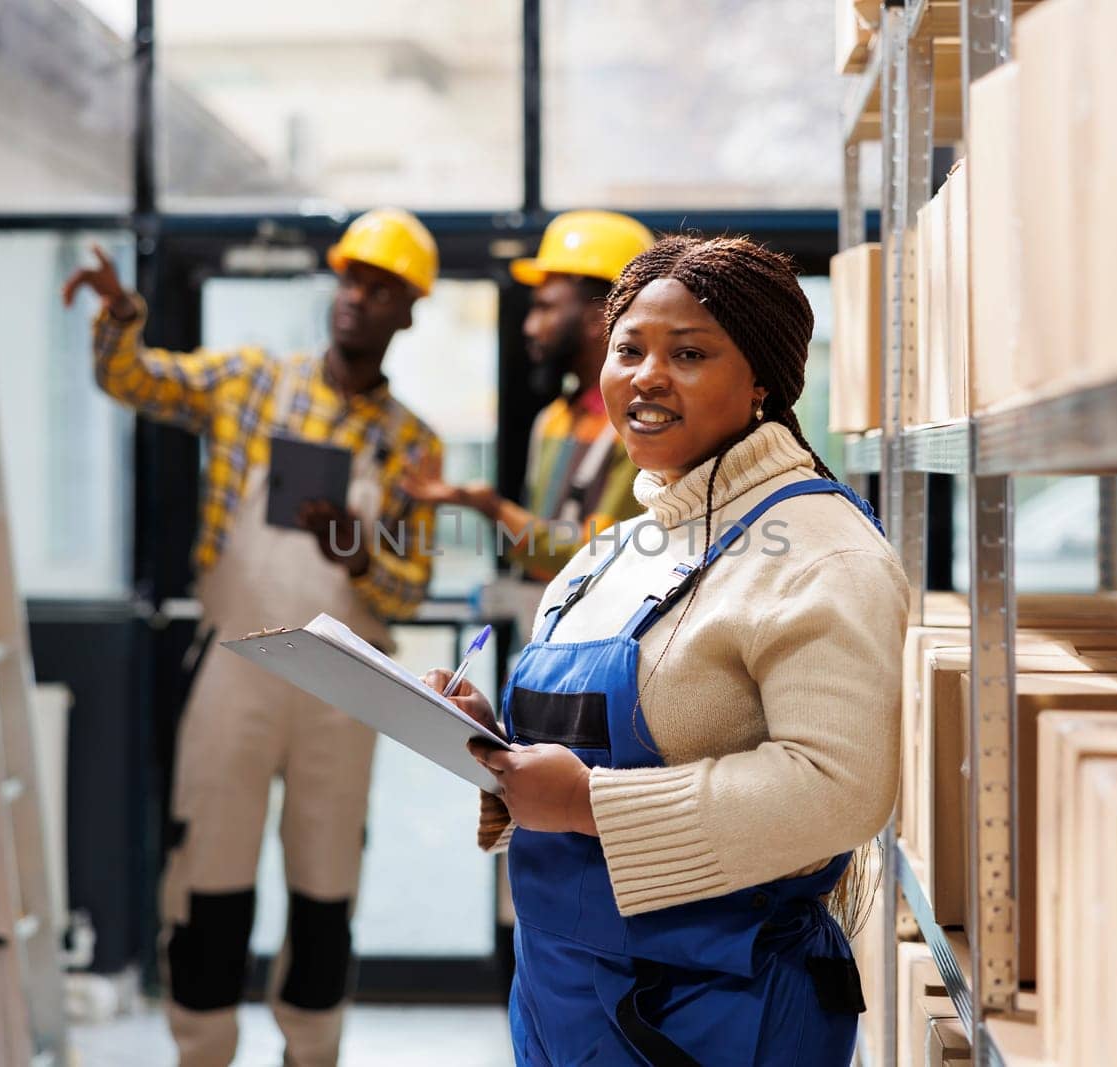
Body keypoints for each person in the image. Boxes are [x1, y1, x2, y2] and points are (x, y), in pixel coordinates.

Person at [423, 236, 909, 1065]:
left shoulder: (825, 551)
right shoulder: (606, 555)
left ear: (762, 380)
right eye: (629, 350)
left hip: (714, 1011)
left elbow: (841, 789)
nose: (647, 375)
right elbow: (578, 750)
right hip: (562, 995)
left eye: (688, 353)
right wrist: (485, 738)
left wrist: (585, 804)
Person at [62, 209, 444, 1067]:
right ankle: (202, 1051)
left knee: (324, 882)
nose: (357, 300)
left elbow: (410, 589)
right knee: (210, 874)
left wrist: (348, 542)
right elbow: (137, 381)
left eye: (381, 291)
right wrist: (124, 318)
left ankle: (312, 1052)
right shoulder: (252, 381)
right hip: (235, 663)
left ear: (408, 313)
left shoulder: (410, 444)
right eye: (351, 280)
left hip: (344, 687)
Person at [402, 210, 654, 585]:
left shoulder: (645, 429)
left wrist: (491, 508)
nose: (530, 327)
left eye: (546, 307)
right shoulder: (552, 420)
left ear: (598, 318)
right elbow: (542, 554)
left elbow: (594, 556)